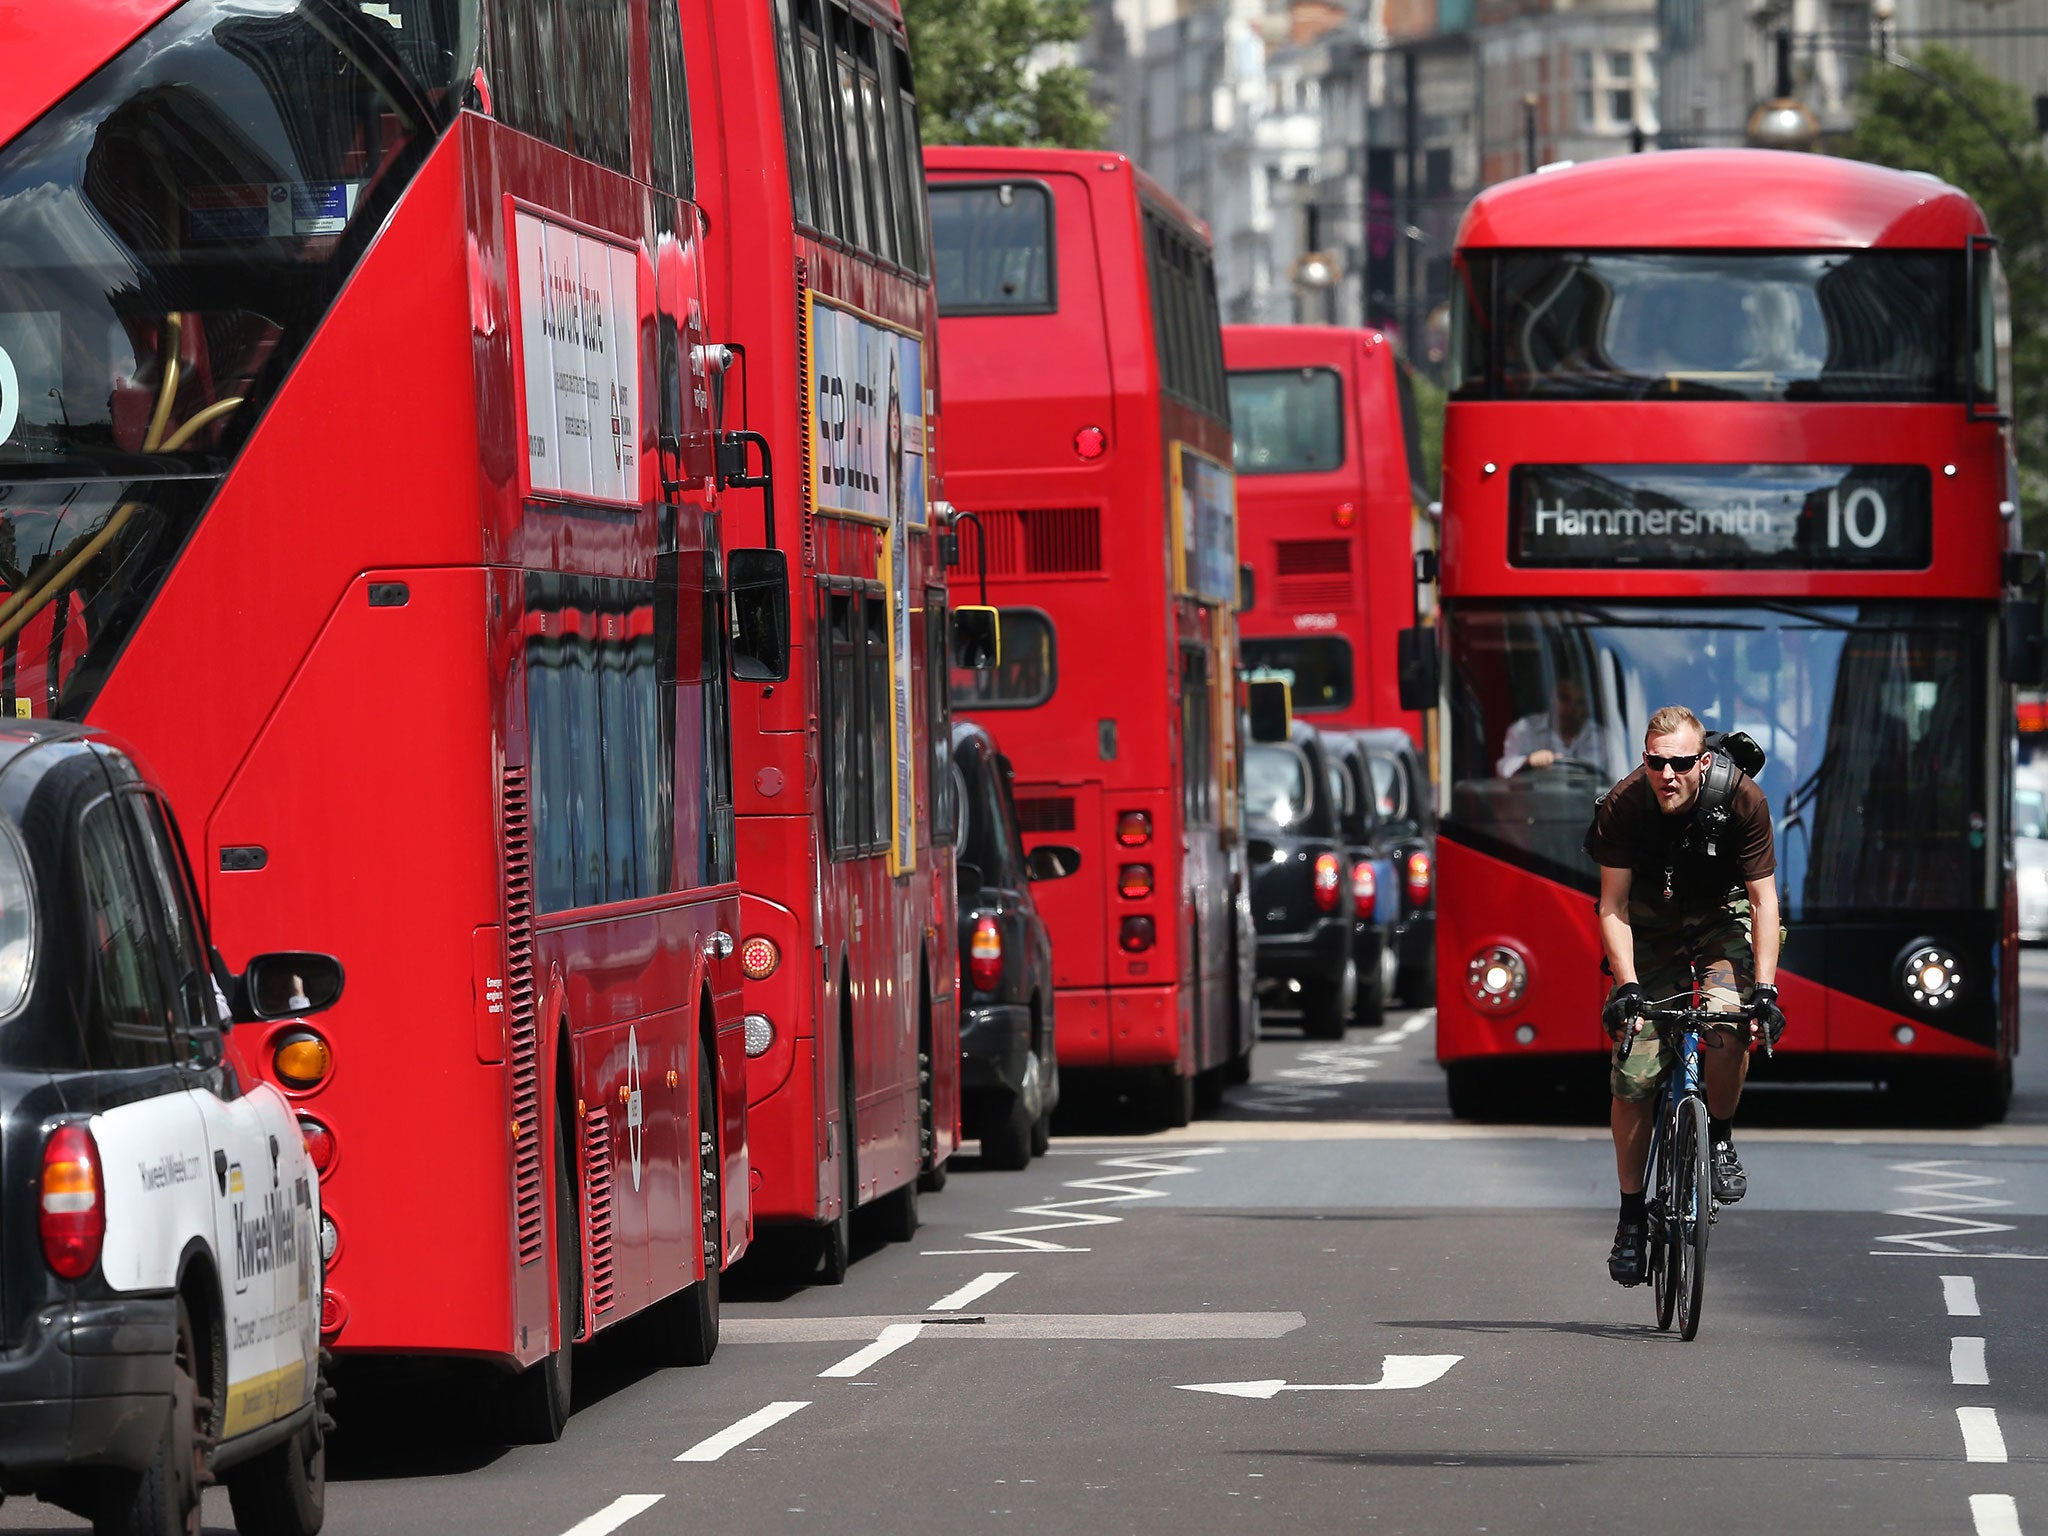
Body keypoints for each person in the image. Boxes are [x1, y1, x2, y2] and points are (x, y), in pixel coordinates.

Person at [1585, 704, 1787, 1287]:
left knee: (1728, 1021)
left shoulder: (1743, 799)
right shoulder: (1624, 806)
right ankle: (1629, 1219)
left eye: (1678, 763)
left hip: (1721, 919)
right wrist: (1626, 985)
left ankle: (1719, 1138)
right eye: (1655, 762)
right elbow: (1612, 905)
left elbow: (1763, 901)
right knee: (1634, 1075)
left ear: (1702, 762)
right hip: (1649, 927)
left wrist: (1766, 989)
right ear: (1644, 760)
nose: (1667, 775)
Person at [1497, 677, 1609, 777]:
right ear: (1551, 699)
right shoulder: (1524, 729)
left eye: (1579, 703)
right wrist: (1529, 761)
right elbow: (1504, 768)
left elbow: (1618, 778)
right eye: (1564, 699)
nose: (1571, 708)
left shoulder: (1603, 738)